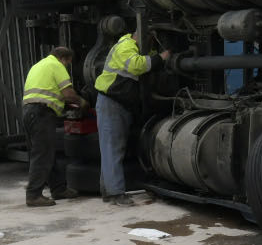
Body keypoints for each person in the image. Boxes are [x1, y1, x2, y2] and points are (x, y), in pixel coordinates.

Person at [93, 31, 170, 206]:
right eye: (152, 41)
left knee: (110, 148)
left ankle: (108, 191)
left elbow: (145, 61)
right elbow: (137, 65)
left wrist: (156, 57)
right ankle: (116, 193)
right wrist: (162, 57)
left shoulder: (133, 47)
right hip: (112, 102)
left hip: (117, 103)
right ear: (143, 37)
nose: (152, 45)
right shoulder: (126, 46)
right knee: (113, 148)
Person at [20, 45, 87, 207]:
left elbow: (48, 90)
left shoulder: (38, 65)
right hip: (42, 113)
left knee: (47, 151)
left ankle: (58, 189)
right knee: (42, 154)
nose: (67, 66)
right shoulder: (56, 66)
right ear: (64, 59)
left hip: (29, 112)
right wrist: (82, 101)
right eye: (68, 63)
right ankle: (33, 195)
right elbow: (68, 94)